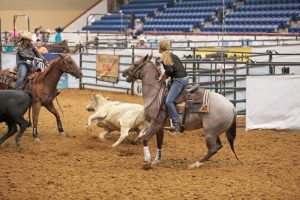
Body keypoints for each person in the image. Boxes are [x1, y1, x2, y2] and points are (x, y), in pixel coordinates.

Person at [158, 40, 188, 132]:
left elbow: (170, 71)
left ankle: (176, 124)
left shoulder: (164, 57)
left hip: (178, 81)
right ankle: (169, 118)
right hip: (185, 79)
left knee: (168, 101)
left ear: (160, 47)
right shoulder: (173, 55)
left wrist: (163, 76)